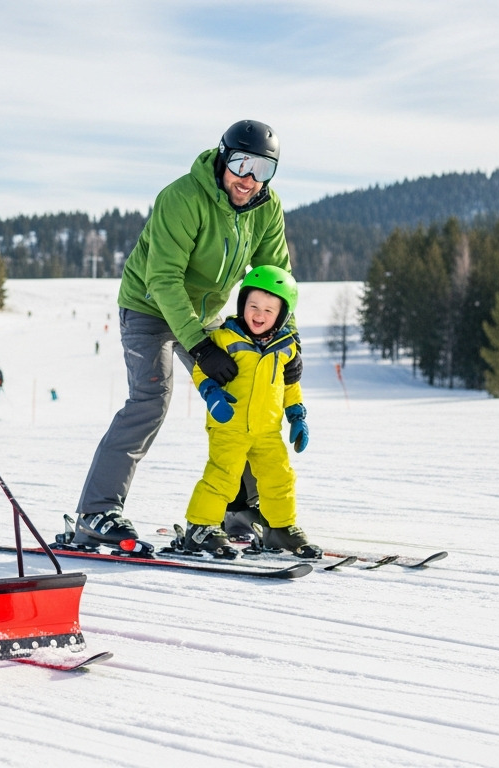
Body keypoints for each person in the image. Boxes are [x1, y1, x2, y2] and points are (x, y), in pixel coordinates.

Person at [73, 120, 292, 548]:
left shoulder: (267, 208)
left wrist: (287, 340)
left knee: (244, 391)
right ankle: (96, 511)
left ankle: (239, 508)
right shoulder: (182, 197)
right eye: (242, 164)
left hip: (205, 314)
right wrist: (200, 346)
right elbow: (164, 279)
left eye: (263, 170)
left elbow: (276, 280)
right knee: (151, 400)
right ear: (223, 158)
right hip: (149, 305)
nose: (249, 179)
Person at [174, 266, 319, 558]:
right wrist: (212, 393)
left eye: (269, 310)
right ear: (242, 304)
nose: (259, 314)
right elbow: (203, 370)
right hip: (229, 425)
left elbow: (290, 385)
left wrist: (297, 415)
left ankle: (279, 528)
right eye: (253, 305)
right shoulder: (226, 338)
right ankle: (200, 527)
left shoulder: (285, 348)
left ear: (282, 315)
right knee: (222, 477)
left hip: (268, 430)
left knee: (279, 477)